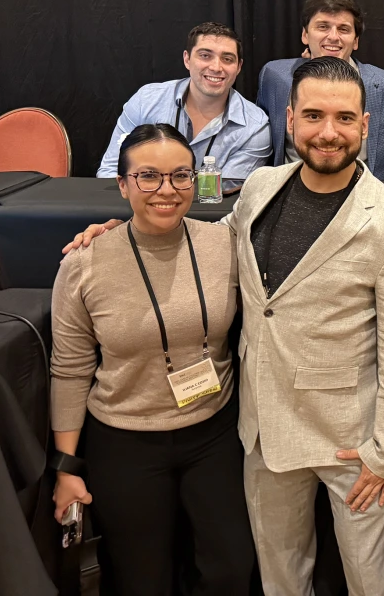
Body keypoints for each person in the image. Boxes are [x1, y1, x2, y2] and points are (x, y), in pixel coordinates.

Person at [65, 57, 384, 596]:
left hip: (352, 443)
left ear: (366, 125)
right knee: (281, 577)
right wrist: (127, 229)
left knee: (370, 582)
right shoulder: (261, 186)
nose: (328, 132)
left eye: (344, 118)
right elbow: (207, 240)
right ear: (288, 120)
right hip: (263, 431)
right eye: (313, 115)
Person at [50, 123, 255, 594]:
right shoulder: (85, 263)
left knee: (231, 566)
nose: (167, 190)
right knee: (142, 579)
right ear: (122, 185)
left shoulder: (223, 244)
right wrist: (66, 468)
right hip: (125, 440)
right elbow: (71, 367)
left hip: (214, 433)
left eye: (181, 176)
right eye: (148, 177)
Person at [257, 0, 384, 178]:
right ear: (305, 35)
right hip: (292, 190)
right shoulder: (274, 77)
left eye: (343, 29)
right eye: (323, 27)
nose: (333, 37)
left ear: (355, 41)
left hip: (365, 197)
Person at [97, 22, 271, 180]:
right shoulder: (146, 101)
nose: (216, 67)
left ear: (239, 67)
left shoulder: (254, 127)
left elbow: (227, 195)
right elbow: (111, 171)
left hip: (210, 215)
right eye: (205, 55)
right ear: (187, 59)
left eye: (227, 59)